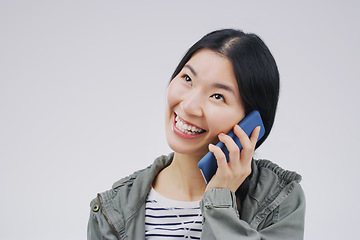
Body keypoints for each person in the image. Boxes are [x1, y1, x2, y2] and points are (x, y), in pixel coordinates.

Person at [87, 29, 306, 240]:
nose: (189, 106)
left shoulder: (279, 200)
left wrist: (221, 200)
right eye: (188, 79)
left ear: (250, 122)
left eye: (218, 96)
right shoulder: (112, 210)